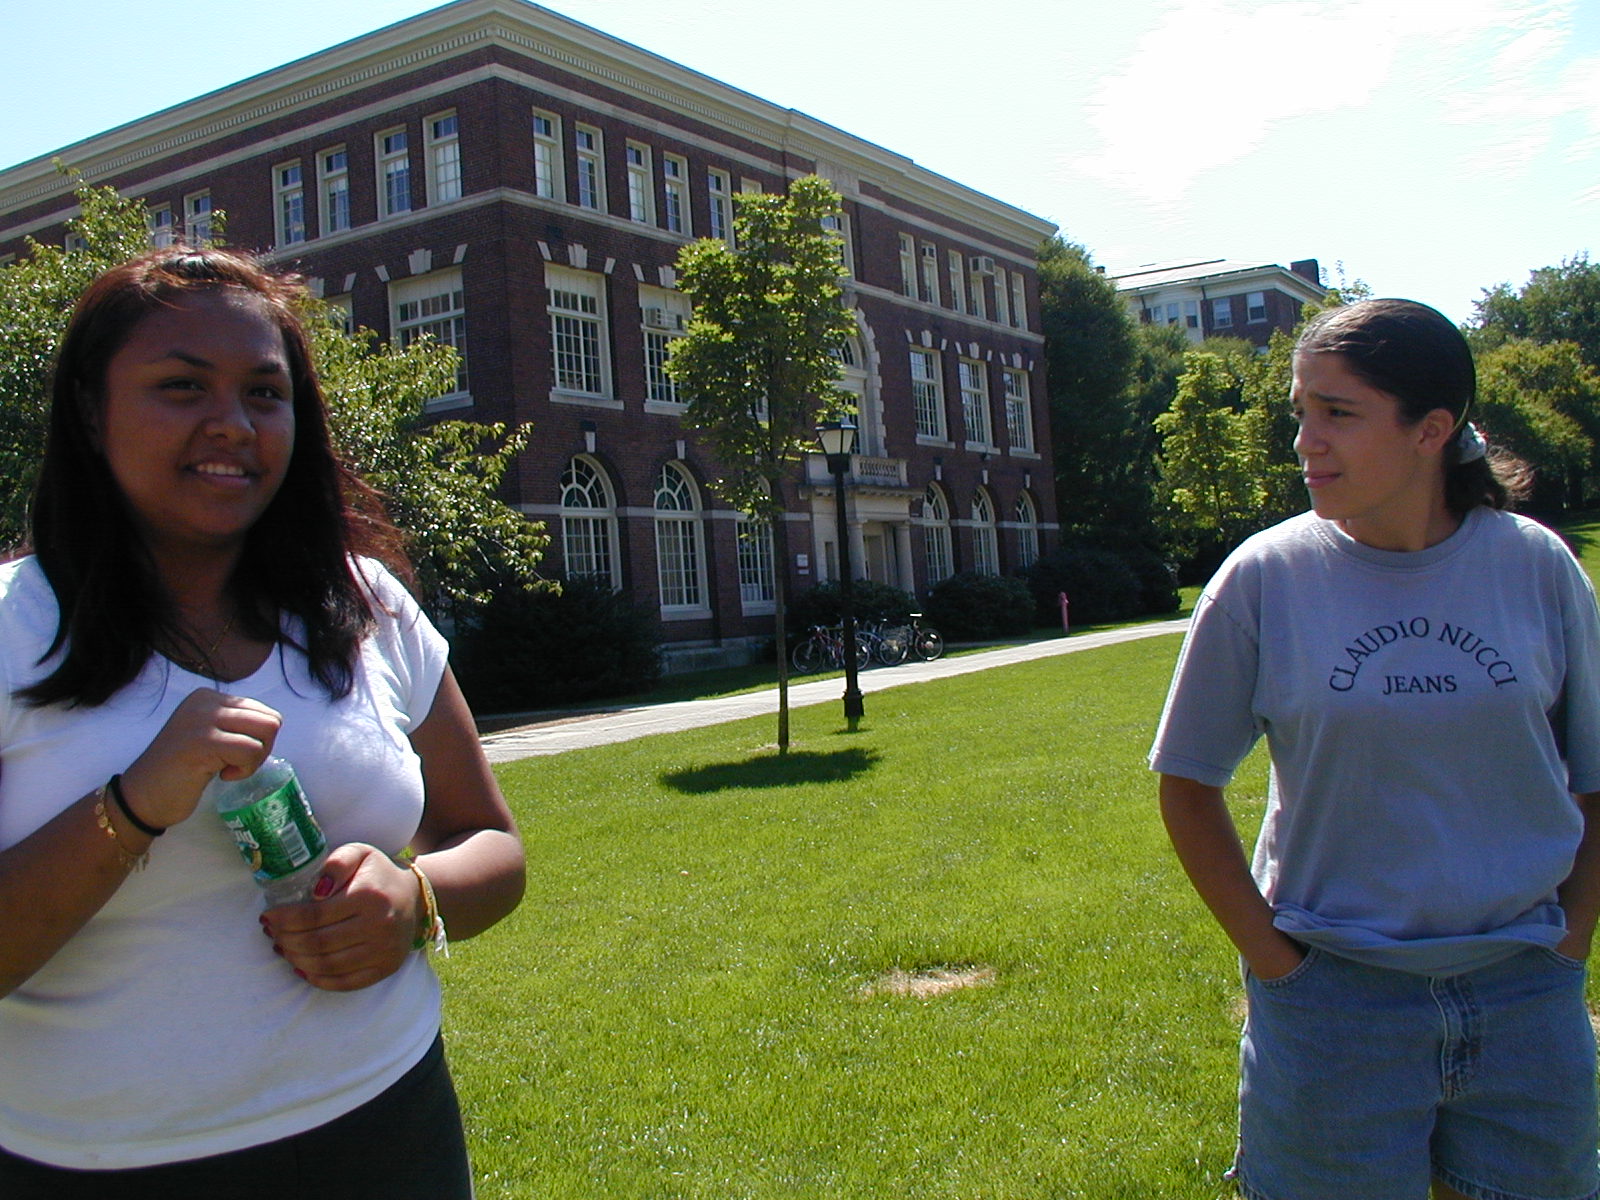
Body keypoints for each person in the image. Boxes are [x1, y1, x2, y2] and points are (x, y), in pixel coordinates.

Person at [0, 246, 526, 1197]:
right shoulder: (11, 629)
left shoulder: (366, 605)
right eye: (181, 386)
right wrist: (132, 808)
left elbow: (492, 843)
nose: (233, 425)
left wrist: (418, 902)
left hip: (387, 1129)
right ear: (89, 409)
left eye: (264, 393)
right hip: (97, 1164)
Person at [1150, 298, 1600, 1200]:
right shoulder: (1264, 578)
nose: (1305, 442)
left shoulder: (1536, 567)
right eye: (1301, 412)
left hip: (1524, 994)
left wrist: (1569, 948)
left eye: (1338, 413)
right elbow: (1188, 786)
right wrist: (1280, 967)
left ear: (1431, 430)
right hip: (1332, 1007)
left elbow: (1593, 778)